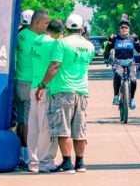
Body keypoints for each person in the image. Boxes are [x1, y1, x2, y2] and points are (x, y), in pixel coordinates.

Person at [35, 13, 95, 173]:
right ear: (82, 28)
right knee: (79, 128)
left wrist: (42, 85)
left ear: (67, 27)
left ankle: (67, 163)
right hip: (82, 91)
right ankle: (80, 163)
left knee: (64, 128)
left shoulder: (61, 43)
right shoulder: (89, 46)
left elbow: (55, 65)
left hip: (63, 90)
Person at [26, 19, 64, 173]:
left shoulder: (36, 40)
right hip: (46, 88)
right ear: (58, 33)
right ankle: (45, 161)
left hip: (34, 85)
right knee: (46, 127)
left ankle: (33, 161)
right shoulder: (54, 44)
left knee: (34, 126)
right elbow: (55, 64)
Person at [14, 9, 50, 168]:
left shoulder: (20, 35)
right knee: (31, 123)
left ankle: (22, 155)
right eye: (45, 23)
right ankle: (30, 158)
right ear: (37, 22)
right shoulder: (38, 40)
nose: (46, 26)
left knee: (21, 120)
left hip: (19, 81)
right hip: (30, 83)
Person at [109, 15, 140, 109]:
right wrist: (110, 41)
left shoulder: (132, 38)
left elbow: (139, 50)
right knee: (118, 75)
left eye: (126, 28)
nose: (124, 29)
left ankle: (132, 99)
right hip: (119, 62)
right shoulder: (116, 38)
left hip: (130, 62)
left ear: (129, 29)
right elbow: (108, 49)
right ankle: (116, 96)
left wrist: (137, 41)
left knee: (133, 80)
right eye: (122, 28)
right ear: (120, 29)